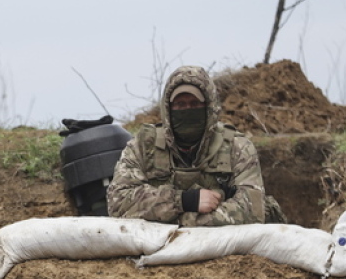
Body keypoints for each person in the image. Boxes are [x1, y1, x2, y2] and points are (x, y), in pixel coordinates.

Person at [107, 65, 272, 226]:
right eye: (180, 105)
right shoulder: (143, 146)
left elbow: (252, 212)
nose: (187, 110)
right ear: (168, 109)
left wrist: (180, 222)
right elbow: (118, 202)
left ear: (209, 107)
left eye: (194, 104)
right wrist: (185, 201)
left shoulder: (237, 147)